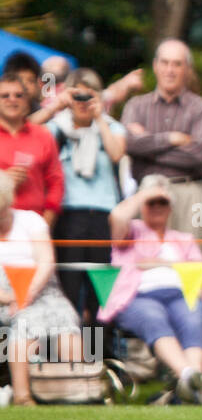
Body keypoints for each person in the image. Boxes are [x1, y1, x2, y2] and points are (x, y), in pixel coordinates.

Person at [99, 174, 202, 404]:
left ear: (171, 207)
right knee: (154, 316)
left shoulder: (183, 238)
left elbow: (198, 269)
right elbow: (118, 215)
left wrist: (163, 263)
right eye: (151, 202)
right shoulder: (131, 232)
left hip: (181, 295)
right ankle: (189, 377)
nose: (156, 207)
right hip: (138, 298)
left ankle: (191, 383)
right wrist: (147, 192)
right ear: (141, 205)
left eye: (162, 202)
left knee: (194, 317)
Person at [0, 174, 84, 407]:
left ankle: (78, 392)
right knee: (26, 323)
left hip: (42, 291)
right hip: (4, 299)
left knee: (66, 320)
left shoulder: (31, 221)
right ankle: (23, 396)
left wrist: (25, 295)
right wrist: (9, 298)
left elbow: (46, 262)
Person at [47, 69, 125, 317]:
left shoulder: (112, 127)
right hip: (69, 214)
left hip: (102, 216)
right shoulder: (57, 128)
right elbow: (25, 129)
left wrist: (99, 118)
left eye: (88, 96)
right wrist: (55, 106)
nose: (83, 103)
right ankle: (67, 351)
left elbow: (116, 154)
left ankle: (98, 350)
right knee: (68, 286)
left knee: (100, 291)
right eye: (77, 96)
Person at [121, 40, 202, 239]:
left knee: (194, 258)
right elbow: (129, 144)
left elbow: (198, 155)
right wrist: (170, 139)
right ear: (155, 66)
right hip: (148, 191)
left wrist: (147, 147)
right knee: (147, 254)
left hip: (193, 195)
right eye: (165, 63)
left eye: (177, 64)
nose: (170, 70)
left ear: (187, 69)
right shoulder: (136, 106)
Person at [0, 70, 63, 226]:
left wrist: (45, 223)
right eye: (5, 95)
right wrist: (3, 180)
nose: (12, 100)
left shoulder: (43, 136)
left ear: (27, 100)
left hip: (33, 224)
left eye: (18, 95)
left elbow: (56, 182)